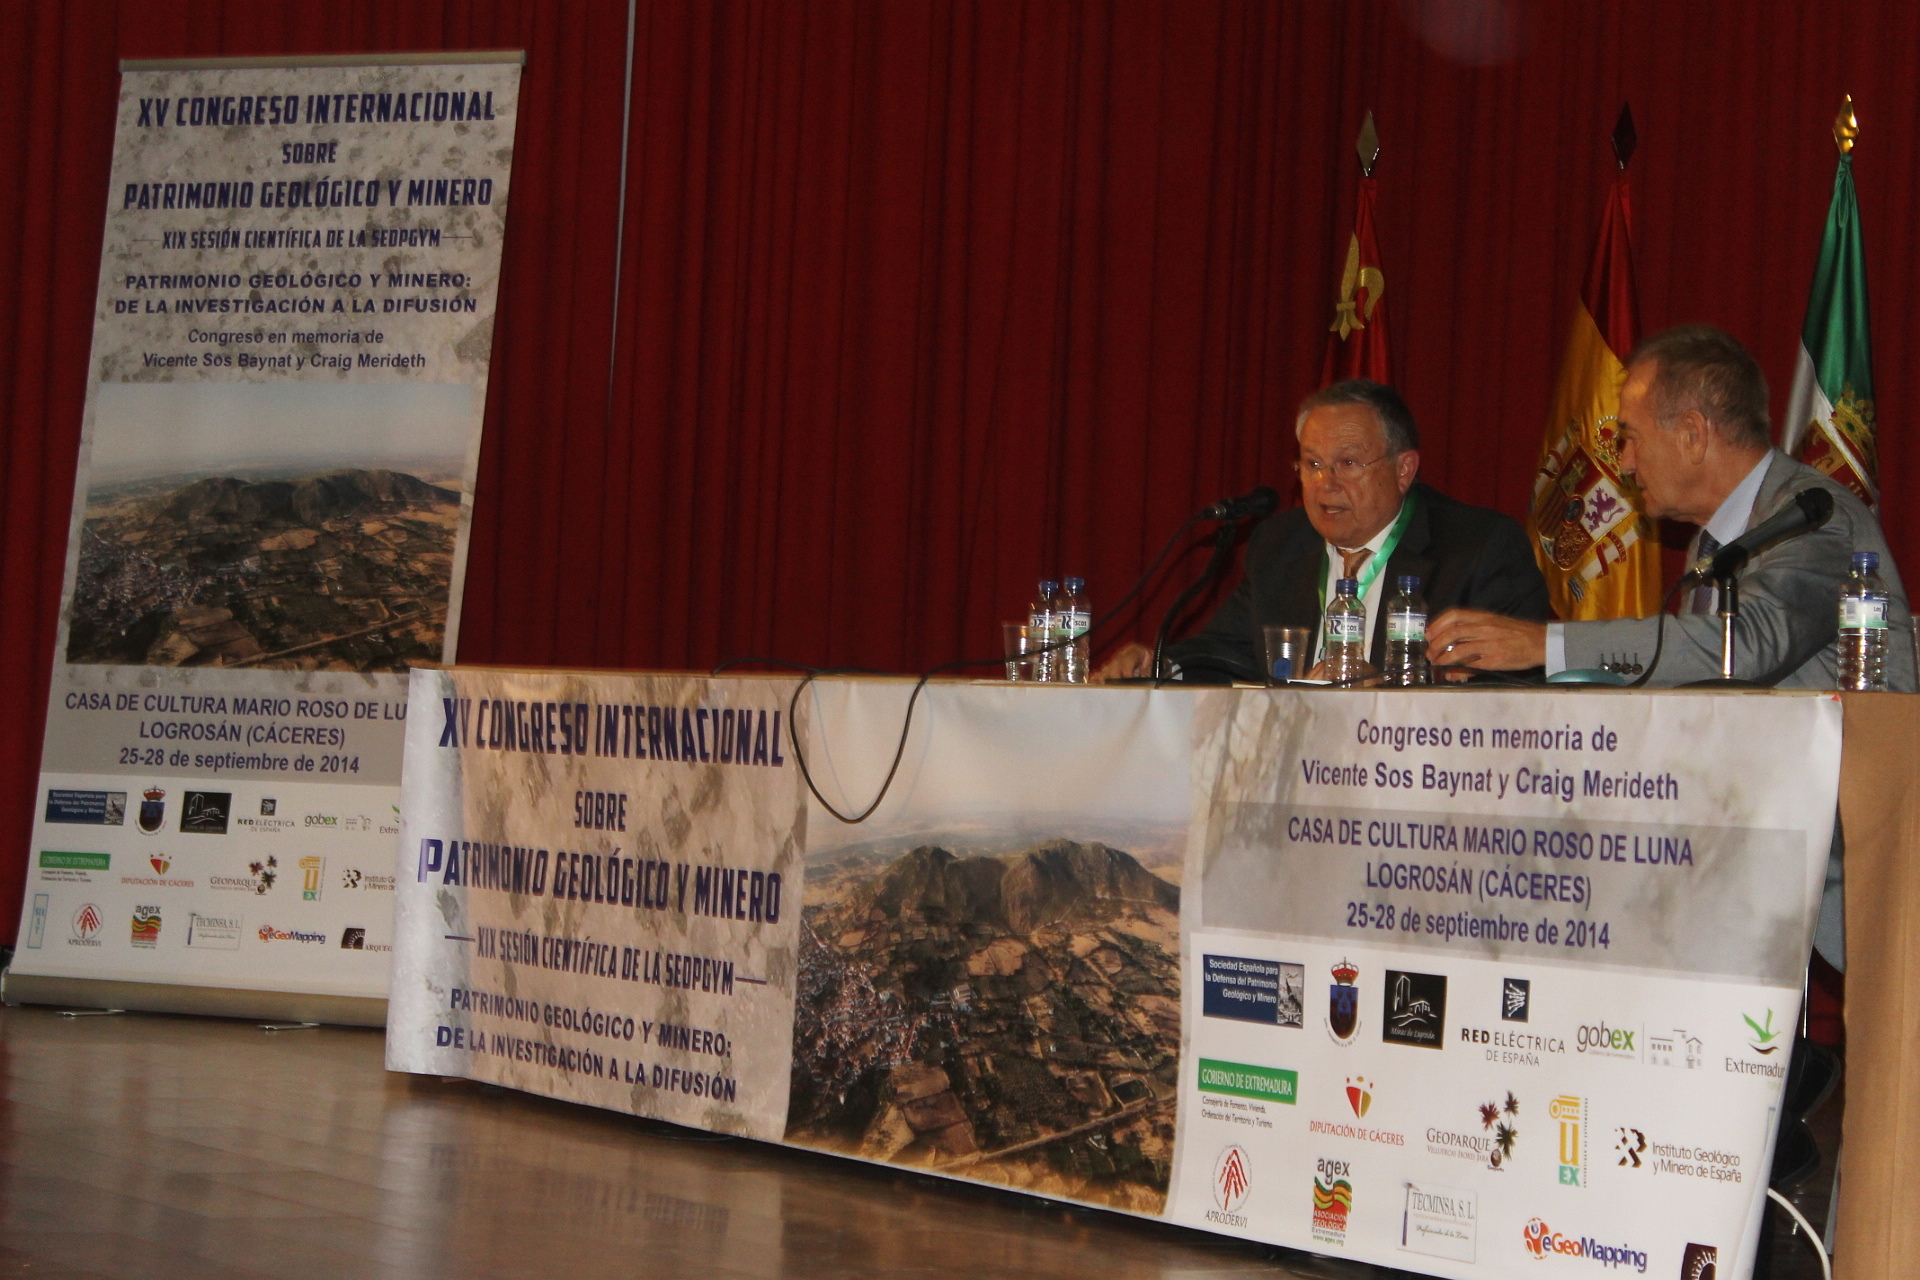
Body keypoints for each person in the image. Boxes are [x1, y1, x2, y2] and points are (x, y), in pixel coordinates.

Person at [1427, 324, 1916, 691]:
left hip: (1834, 796)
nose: (1624, 463)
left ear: (1692, 434)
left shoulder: (1815, 517)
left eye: (1631, 438)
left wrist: (1544, 645)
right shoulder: (1712, 539)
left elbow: (1744, 648)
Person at [1098, 379, 1551, 683]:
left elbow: (1516, 684)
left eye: (1347, 463)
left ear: (1404, 470)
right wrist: (1161, 665)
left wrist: (1389, 692)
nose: (1325, 483)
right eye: (1312, 464)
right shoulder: (1280, 544)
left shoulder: (1478, 547)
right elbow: (1226, 650)